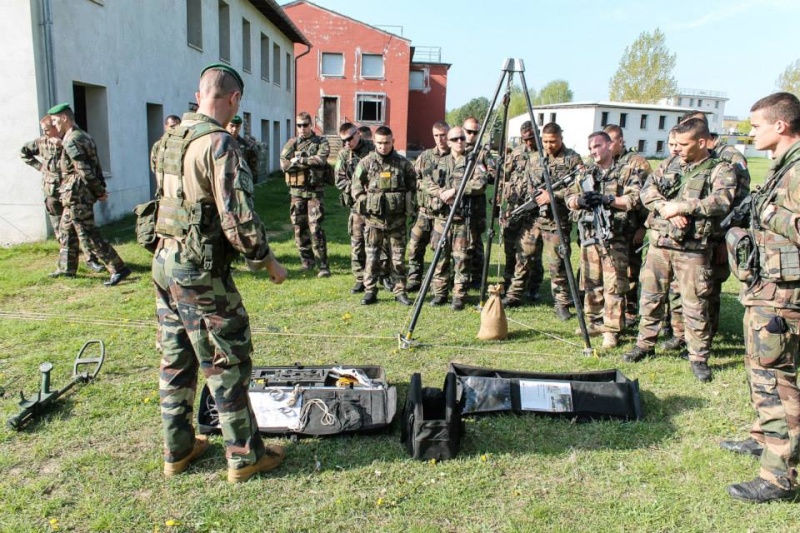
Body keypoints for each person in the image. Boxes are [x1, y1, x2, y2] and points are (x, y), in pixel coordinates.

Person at [152, 63, 287, 483]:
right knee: (226, 360)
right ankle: (244, 457)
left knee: (176, 359)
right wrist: (267, 260)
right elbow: (238, 219)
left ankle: (177, 450)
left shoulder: (169, 139)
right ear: (234, 99)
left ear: (199, 93)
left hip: (164, 262)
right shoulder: (219, 144)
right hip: (199, 270)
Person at [720, 92, 800, 503]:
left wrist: (768, 215)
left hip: (785, 297)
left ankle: (778, 477)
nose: (751, 134)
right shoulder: (781, 167)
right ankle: (764, 438)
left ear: (781, 125)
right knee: (764, 375)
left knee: (777, 380)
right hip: (769, 290)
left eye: (756, 127)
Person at [622, 119, 736, 382]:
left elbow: (722, 200)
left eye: (684, 145)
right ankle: (645, 343)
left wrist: (683, 207)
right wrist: (665, 209)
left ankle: (698, 356)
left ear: (702, 142)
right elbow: (647, 191)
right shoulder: (669, 164)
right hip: (660, 243)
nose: (678, 149)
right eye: (677, 143)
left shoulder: (720, 169)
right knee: (650, 296)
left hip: (693, 250)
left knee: (695, 303)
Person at [566, 131, 642, 349]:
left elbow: (634, 199)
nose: (594, 151)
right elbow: (568, 198)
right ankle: (595, 321)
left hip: (614, 237)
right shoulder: (586, 174)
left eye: (597, 146)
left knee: (614, 285)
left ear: (609, 145)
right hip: (589, 235)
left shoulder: (626, 172)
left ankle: (611, 329)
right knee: (591, 282)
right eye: (590, 148)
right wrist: (579, 201)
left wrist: (609, 199)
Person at [502, 122, 582, 319]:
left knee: (558, 263)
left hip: (556, 221)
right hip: (533, 219)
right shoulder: (536, 158)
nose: (548, 145)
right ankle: (514, 294)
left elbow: (579, 187)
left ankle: (561, 303)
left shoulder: (572, 159)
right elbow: (527, 183)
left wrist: (553, 195)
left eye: (552, 141)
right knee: (523, 257)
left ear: (561, 138)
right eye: (545, 141)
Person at [48, 103, 131, 285]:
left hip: (78, 195)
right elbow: (97, 165)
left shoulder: (72, 140)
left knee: (89, 234)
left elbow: (84, 169)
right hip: (74, 195)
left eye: (55, 120)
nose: (54, 125)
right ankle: (66, 268)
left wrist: (99, 190)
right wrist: (100, 185)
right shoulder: (83, 136)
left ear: (64, 118)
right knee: (66, 231)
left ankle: (118, 268)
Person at [20, 116, 103, 274]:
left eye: (48, 129)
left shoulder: (71, 140)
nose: (46, 133)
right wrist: (40, 167)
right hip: (53, 193)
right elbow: (24, 152)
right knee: (62, 231)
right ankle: (67, 266)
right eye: (44, 131)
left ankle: (91, 260)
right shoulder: (41, 142)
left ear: (57, 126)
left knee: (83, 229)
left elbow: (87, 164)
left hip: (73, 193)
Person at [351, 126, 416, 305]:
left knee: (398, 258)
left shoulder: (403, 164)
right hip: (373, 221)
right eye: (379, 143)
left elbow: (413, 186)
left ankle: (400, 291)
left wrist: (410, 205)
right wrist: (362, 198)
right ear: (374, 143)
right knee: (371, 258)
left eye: (387, 143)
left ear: (392, 141)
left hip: (397, 221)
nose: (383, 146)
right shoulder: (366, 163)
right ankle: (370, 290)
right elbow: (355, 185)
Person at [425, 126, 487, 310]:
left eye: (462, 138)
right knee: (440, 257)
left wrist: (457, 191)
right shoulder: (440, 162)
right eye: (455, 139)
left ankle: (459, 295)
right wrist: (441, 192)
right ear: (449, 142)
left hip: (462, 220)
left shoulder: (474, 162)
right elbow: (425, 181)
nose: (460, 141)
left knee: (462, 259)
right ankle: (440, 293)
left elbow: (480, 183)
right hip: (442, 218)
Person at [602, 124, 651, 326]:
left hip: (632, 225)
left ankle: (630, 310)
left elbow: (648, 197)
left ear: (621, 141)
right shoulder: (603, 162)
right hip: (611, 228)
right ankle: (610, 311)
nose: (606, 145)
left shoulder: (637, 163)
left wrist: (643, 227)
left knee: (631, 270)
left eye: (610, 141)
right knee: (613, 271)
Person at [280, 112, 331, 276]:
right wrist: (306, 163)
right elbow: (284, 164)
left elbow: (321, 160)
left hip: (315, 192)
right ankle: (307, 262)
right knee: (299, 228)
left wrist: (299, 160)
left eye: (305, 125)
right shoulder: (292, 143)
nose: (302, 128)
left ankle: (323, 265)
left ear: (311, 125)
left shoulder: (321, 142)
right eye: (299, 125)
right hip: (297, 193)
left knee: (316, 228)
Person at [501, 121, 544, 301]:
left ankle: (532, 286)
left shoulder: (545, 154)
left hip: (534, 212)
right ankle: (509, 281)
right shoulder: (517, 153)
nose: (528, 142)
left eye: (531, 138)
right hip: (514, 208)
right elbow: (505, 175)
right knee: (511, 247)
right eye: (525, 139)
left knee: (531, 252)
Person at [408, 121, 450, 292]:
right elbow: (414, 178)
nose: (440, 139)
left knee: (440, 249)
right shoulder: (425, 156)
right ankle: (414, 278)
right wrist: (428, 187)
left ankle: (438, 284)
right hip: (424, 212)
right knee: (415, 245)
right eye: (436, 136)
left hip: (443, 213)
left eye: (443, 135)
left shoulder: (454, 157)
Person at [334, 122, 374, 293]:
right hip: (357, 206)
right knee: (357, 242)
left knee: (377, 243)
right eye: (343, 140)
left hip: (374, 205)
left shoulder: (373, 149)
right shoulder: (344, 155)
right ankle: (360, 278)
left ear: (358, 134)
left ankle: (382, 275)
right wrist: (356, 189)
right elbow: (339, 179)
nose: (347, 143)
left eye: (350, 138)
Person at [463, 117, 490, 289]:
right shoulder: (456, 149)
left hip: (476, 207)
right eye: (469, 131)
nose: (472, 135)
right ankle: (459, 278)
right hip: (456, 207)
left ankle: (477, 278)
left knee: (475, 244)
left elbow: (489, 176)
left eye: (475, 132)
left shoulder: (483, 153)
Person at [227, 114, 259, 179]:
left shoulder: (247, 145)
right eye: (232, 126)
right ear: (226, 125)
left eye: (237, 126)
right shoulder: (220, 143)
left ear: (240, 127)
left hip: (241, 181)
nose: (234, 129)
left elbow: (253, 166)